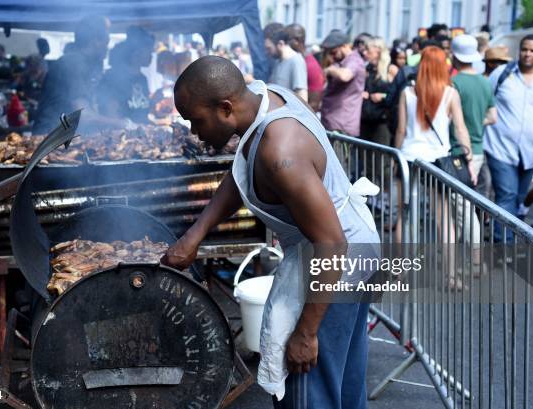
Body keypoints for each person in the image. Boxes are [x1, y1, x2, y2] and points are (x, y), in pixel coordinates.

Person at [162, 55, 379, 409]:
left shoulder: (281, 154)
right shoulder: (266, 98)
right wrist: (194, 235)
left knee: (310, 392)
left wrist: (306, 334)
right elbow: (242, 171)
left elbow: (332, 244)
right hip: (355, 245)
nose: (194, 133)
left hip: (335, 262)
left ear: (226, 108)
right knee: (344, 383)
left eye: (195, 121)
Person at [394, 46, 476, 262]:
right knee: (443, 217)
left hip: (409, 158)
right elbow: (460, 129)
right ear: (443, 66)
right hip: (437, 162)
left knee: (404, 215)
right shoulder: (451, 94)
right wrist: (469, 161)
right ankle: (450, 274)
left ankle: (401, 269)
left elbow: (401, 130)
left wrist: (396, 157)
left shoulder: (407, 93)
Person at [484, 34, 533, 241]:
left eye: (532, 50)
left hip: (531, 151)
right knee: (506, 195)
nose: (527, 54)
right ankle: (503, 246)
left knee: (520, 198)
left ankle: (507, 238)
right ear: (518, 51)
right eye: (524, 49)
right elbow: (487, 99)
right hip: (500, 147)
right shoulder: (503, 74)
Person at [33, 15, 130, 134]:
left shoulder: (90, 65)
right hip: (49, 136)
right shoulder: (73, 64)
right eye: (106, 42)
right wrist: (121, 123)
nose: (107, 47)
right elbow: (84, 115)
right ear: (96, 42)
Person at [449, 34, 497, 194]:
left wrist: (461, 121)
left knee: (459, 206)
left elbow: (448, 118)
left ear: (454, 55)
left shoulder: (452, 82)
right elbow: (492, 117)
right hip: (477, 150)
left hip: (457, 151)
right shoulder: (485, 82)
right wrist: (475, 121)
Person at [97, 29, 154, 123]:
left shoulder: (142, 78)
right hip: (121, 135)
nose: (151, 55)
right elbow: (111, 115)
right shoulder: (112, 78)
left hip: (142, 134)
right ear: (136, 54)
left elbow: (141, 110)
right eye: (148, 51)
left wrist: (154, 102)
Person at [320, 30, 366, 137]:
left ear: (345, 46)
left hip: (342, 128)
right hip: (331, 124)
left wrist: (330, 70)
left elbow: (345, 76)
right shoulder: (341, 62)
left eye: (334, 52)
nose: (332, 56)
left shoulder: (354, 60)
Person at [285, 24, 324, 112]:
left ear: (297, 41)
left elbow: (314, 104)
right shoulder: (291, 61)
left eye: (287, 40)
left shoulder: (311, 66)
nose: (284, 44)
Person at [361, 37, 391, 148]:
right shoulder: (366, 69)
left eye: (368, 50)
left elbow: (399, 95)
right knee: (365, 160)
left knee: (380, 160)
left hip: (382, 122)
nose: (365, 53)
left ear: (378, 51)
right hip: (365, 120)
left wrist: (383, 96)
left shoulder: (390, 69)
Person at [268, 29, 308, 101]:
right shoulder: (278, 62)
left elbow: (302, 98)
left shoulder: (296, 61)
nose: (267, 52)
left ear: (280, 44)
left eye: (269, 48)